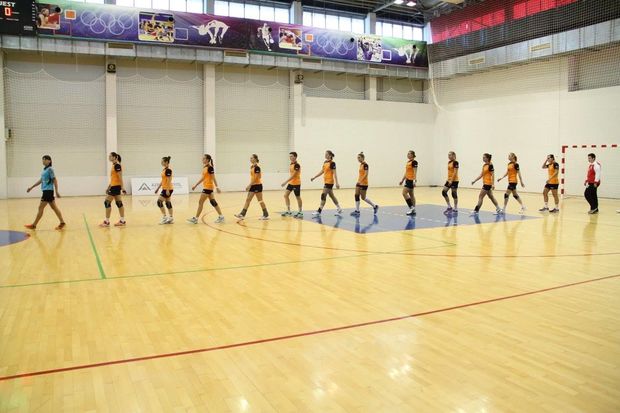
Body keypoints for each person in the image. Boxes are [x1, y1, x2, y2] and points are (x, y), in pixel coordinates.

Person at [24, 155, 66, 230]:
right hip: (47, 191)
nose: (43, 161)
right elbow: (41, 180)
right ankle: (62, 222)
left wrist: (56, 191)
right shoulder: (44, 170)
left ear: (49, 161)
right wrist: (31, 187)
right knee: (54, 207)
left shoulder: (50, 169)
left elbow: (55, 180)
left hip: (48, 192)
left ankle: (34, 225)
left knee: (40, 207)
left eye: (45, 159)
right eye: (43, 159)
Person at [188, 154, 225, 224]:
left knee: (200, 202)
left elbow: (213, 178)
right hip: (208, 187)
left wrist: (217, 187)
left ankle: (196, 219)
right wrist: (196, 185)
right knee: (213, 202)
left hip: (208, 187)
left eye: (204, 158)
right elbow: (203, 178)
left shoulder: (210, 168)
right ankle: (221, 217)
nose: (202, 160)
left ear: (207, 160)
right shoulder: (205, 167)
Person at [235, 154, 269, 220]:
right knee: (248, 200)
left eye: (252, 158)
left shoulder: (257, 168)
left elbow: (256, 178)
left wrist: (249, 185)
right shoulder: (252, 167)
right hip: (253, 185)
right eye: (250, 158)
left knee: (260, 200)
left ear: (255, 159)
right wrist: (251, 185)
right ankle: (242, 214)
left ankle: (265, 214)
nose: (250, 159)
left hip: (257, 186)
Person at [310, 150, 342, 217]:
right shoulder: (325, 162)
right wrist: (314, 177)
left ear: (330, 155)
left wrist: (337, 183)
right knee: (332, 196)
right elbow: (322, 171)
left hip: (329, 182)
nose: (325, 155)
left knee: (323, 195)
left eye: (327, 154)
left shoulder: (332, 163)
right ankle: (339, 208)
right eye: (325, 154)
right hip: (326, 181)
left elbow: (335, 174)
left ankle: (319, 211)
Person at [100, 152, 126, 227]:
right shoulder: (114, 165)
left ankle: (107, 222)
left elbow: (120, 177)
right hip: (114, 186)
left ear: (115, 157)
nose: (109, 157)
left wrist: (122, 187)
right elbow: (113, 179)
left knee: (107, 202)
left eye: (110, 156)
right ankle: (122, 221)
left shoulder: (117, 165)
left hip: (116, 187)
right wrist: (108, 187)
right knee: (119, 203)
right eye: (109, 156)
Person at [281, 152, 303, 218]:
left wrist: (285, 182)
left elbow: (293, 176)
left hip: (296, 183)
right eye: (290, 156)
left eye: (291, 156)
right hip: (291, 183)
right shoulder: (291, 164)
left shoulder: (297, 165)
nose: (290, 157)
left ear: (295, 157)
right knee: (285, 195)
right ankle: (288, 211)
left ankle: (300, 212)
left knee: (297, 197)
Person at [154, 156, 174, 224]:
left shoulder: (168, 170)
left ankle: (165, 217)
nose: (161, 163)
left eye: (162, 161)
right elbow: (163, 180)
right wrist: (158, 188)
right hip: (166, 188)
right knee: (168, 203)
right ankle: (171, 218)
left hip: (167, 189)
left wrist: (167, 190)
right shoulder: (164, 170)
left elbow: (168, 180)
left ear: (166, 162)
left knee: (159, 202)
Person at [399, 150, 418, 216]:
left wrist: (414, 181)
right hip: (407, 180)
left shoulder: (414, 162)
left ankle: (411, 208)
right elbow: (406, 172)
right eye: (408, 154)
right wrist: (402, 180)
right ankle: (413, 209)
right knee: (411, 194)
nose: (408, 155)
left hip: (411, 180)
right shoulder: (408, 162)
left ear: (412, 155)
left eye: (409, 154)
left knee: (404, 193)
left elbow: (415, 172)